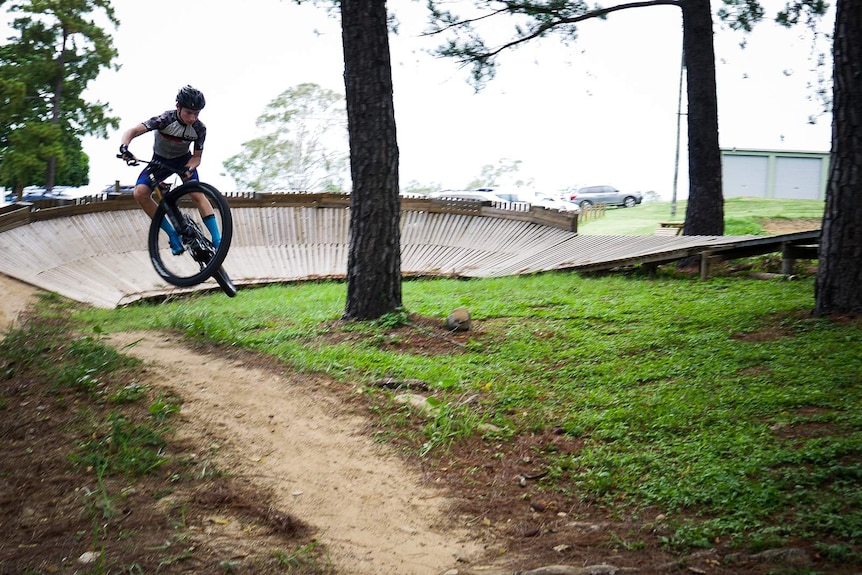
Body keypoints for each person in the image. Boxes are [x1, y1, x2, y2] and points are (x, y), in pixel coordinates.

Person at [118, 85, 220, 255]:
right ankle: (172, 235)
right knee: (140, 193)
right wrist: (124, 148)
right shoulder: (164, 119)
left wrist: (189, 168)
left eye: (197, 114)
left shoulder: (200, 129)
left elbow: (197, 157)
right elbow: (133, 131)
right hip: (160, 161)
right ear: (178, 106)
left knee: (196, 194)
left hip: (183, 161)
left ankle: (218, 240)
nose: (193, 118)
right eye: (189, 112)